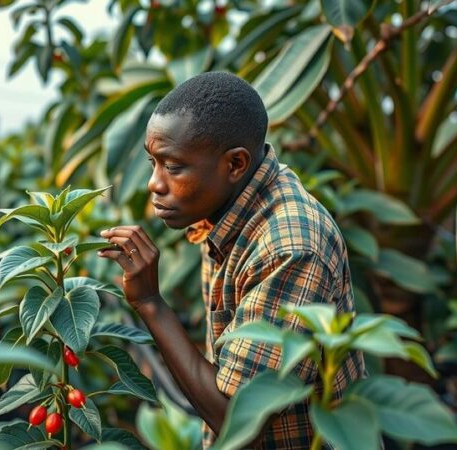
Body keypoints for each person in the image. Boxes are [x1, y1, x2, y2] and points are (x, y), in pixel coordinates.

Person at [96, 71, 365, 449]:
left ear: (236, 164)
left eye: (172, 166)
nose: (154, 183)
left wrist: (150, 303)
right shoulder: (233, 202)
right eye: (153, 162)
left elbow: (239, 420)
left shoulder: (289, 248)